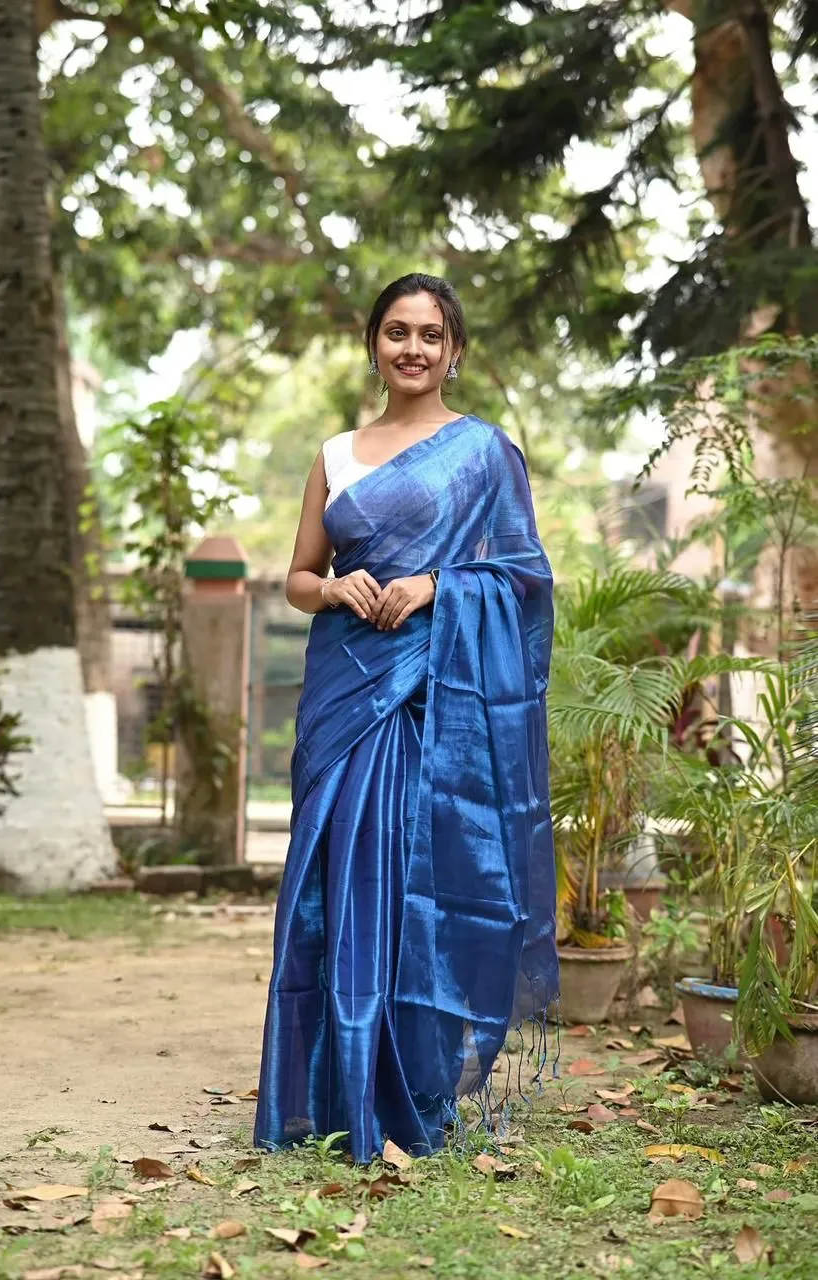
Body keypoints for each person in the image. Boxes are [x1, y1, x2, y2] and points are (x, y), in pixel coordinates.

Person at [254, 273, 558, 1163]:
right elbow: (297, 576)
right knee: (335, 880)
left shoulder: (485, 454)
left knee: (421, 885)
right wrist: (334, 585)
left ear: (454, 350)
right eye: (397, 332)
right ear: (374, 345)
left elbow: (526, 577)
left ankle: (414, 1085)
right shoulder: (336, 453)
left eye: (431, 334)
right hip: (345, 691)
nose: (413, 348)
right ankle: (327, 1087)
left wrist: (437, 586)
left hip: (436, 697)